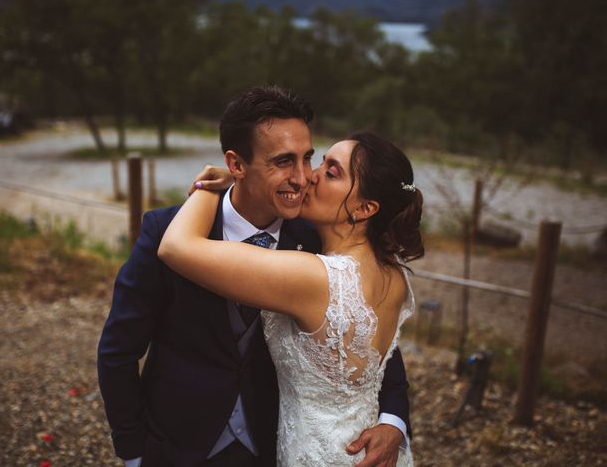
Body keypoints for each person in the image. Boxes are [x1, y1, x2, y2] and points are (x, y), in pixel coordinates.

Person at [98, 86, 413, 467]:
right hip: (177, 446)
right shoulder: (162, 228)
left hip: (272, 447)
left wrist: (392, 420)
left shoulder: (319, 241)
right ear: (236, 164)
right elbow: (119, 350)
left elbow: (371, 349)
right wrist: (133, 451)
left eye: (308, 159)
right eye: (283, 161)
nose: (303, 178)